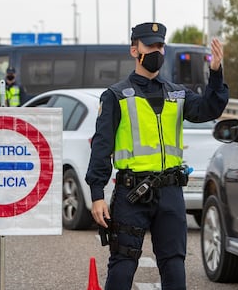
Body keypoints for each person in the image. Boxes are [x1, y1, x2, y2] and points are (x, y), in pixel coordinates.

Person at [85, 22, 228, 290]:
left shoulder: (177, 93)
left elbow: (210, 108)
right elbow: (101, 148)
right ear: (134, 50)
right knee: (123, 266)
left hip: (170, 194)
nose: (156, 51)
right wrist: (97, 195)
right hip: (132, 194)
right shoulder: (116, 96)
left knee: (174, 266)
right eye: (150, 45)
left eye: (160, 45)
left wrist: (216, 72)